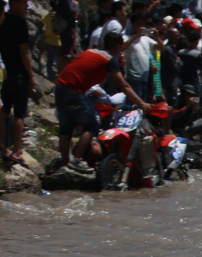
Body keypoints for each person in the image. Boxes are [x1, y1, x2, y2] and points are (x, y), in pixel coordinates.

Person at [55, 31, 151, 170]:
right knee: (92, 126)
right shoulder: (110, 60)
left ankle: (64, 164)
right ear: (117, 47)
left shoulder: (91, 52)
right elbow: (124, 86)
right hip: (74, 91)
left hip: (60, 87)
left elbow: (116, 50)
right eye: (120, 48)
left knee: (65, 130)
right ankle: (76, 160)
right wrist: (142, 103)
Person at [0, 0, 33, 164]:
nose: (27, 7)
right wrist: (31, 75)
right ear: (17, 3)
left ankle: (3, 148)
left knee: (5, 111)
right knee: (20, 113)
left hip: (5, 73)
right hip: (19, 74)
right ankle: (16, 151)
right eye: (25, 3)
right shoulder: (19, 22)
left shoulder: (3, 20)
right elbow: (24, 51)